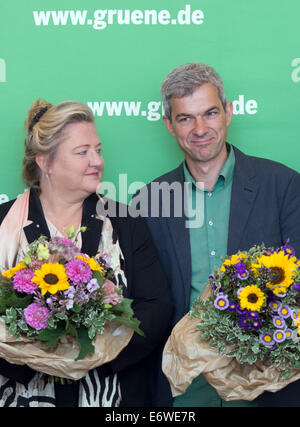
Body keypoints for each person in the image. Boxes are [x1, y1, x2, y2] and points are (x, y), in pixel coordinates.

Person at [140, 62, 300, 406]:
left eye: (210, 113)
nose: (200, 128)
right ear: (169, 125)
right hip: (183, 390)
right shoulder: (149, 201)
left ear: (228, 112)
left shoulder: (283, 185)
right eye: (185, 118)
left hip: (267, 386)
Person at [0, 99, 173, 407]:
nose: (97, 161)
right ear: (45, 161)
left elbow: (157, 308)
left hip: (111, 396)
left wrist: (95, 354)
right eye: (82, 152)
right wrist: (32, 361)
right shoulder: (4, 224)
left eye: (99, 149)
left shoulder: (125, 222)